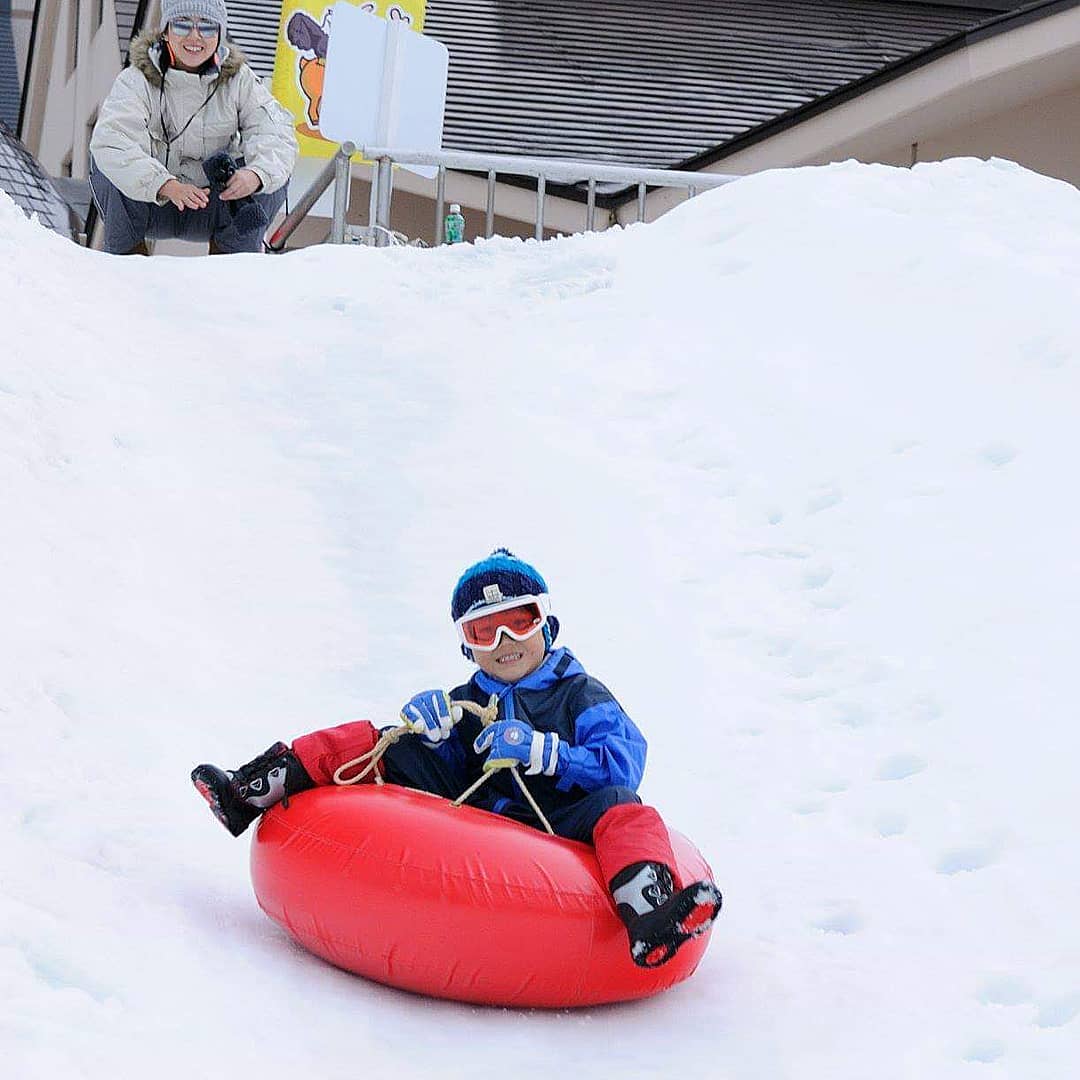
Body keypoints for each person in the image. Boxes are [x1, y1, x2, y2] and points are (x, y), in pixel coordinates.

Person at [192, 549, 722, 968]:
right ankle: (251, 791)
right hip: (486, 816)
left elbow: (623, 765)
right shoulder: (468, 700)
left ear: (547, 626)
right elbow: (451, 772)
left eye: (519, 621)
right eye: (484, 631)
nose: (505, 642)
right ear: (467, 646)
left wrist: (546, 752)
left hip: (565, 819)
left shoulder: (580, 695)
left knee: (626, 807)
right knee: (387, 740)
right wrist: (429, 736)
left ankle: (651, 915)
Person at [88, 0, 297, 255]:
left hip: (215, 203)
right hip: (153, 200)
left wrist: (254, 175)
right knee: (106, 161)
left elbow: (277, 134)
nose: (195, 36)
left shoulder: (240, 80)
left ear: (219, 34)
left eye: (207, 27)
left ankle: (234, 263)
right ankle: (127, 262)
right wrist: (164, 184)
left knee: (270, 174)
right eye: (182, 25)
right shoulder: (135, 79)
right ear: (166, 31)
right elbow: (113, 140)